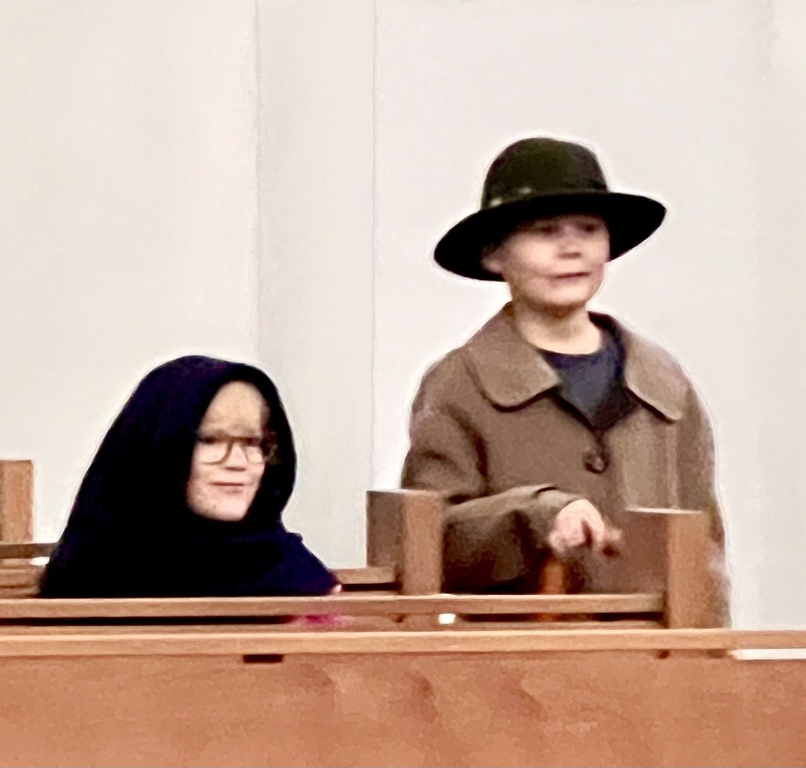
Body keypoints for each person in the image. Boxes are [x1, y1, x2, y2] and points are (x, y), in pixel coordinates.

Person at [401, 136, 730, 622]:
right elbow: (430, 542)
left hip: (658, 657)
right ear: (494, 254)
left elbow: (705, 548)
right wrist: (536, 517)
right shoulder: (460, 383)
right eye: (545, 231)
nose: (571, 248)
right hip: (526, 660)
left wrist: (712, 652)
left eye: (589, 229)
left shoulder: (664, 383)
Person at [40, 355, 338, 599]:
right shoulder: (89, 571)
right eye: (210, 440)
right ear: (157, 448)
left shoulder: (295, 575)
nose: (238, 463)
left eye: (253, 442)